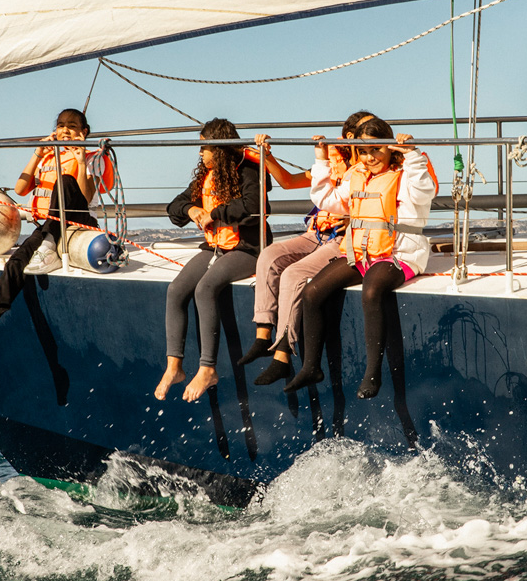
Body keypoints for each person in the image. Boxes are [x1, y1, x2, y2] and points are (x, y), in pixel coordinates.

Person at [283, 116, 437, 399]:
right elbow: (327, 200)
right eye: (364, 151)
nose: (370, 157)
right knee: (312, 291)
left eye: (376, 149)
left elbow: (424, 192)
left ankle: (373, 373)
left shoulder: (407, 174)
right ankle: (311, 367)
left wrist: (413, 155)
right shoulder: (357, 175)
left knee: (372, 290)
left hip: (399, 254)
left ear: (390, 147)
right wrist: (321, 160)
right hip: (362, 253)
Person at [240, 111, 376, 386]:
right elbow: (288, 182)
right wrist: (267, 155)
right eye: (368, 130)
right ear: (351, 137)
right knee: (269, 255)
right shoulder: (331, 162)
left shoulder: (372, 166)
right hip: (316, 234)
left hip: (341, 239)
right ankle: (262, 335)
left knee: (294, 274)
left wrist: (353, 218)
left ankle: (282, 354)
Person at [0, 108, 114, 336]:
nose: (65, 130)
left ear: (83, 132)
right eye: (61, 125)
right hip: (50, 225)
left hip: (80, 221)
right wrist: (37, 154)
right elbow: (20, 189)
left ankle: (48, 246)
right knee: (17, 259)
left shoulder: (94, 158)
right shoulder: (47, 158)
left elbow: (84, 197)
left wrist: (81, 162)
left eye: (72, 126)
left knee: (65, 180)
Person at [154, 118, 271, 403]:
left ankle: (208, 369)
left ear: (219, 148)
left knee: (205, 289)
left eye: (204, 147)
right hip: (214, 247)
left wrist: (215, 214)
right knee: (176, 290)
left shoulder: (249, 169)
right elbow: (174, 207)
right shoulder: (205, 176)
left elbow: (256, 205)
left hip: (247, 249)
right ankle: (175, 367)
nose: (200, 152)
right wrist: (191, 209)